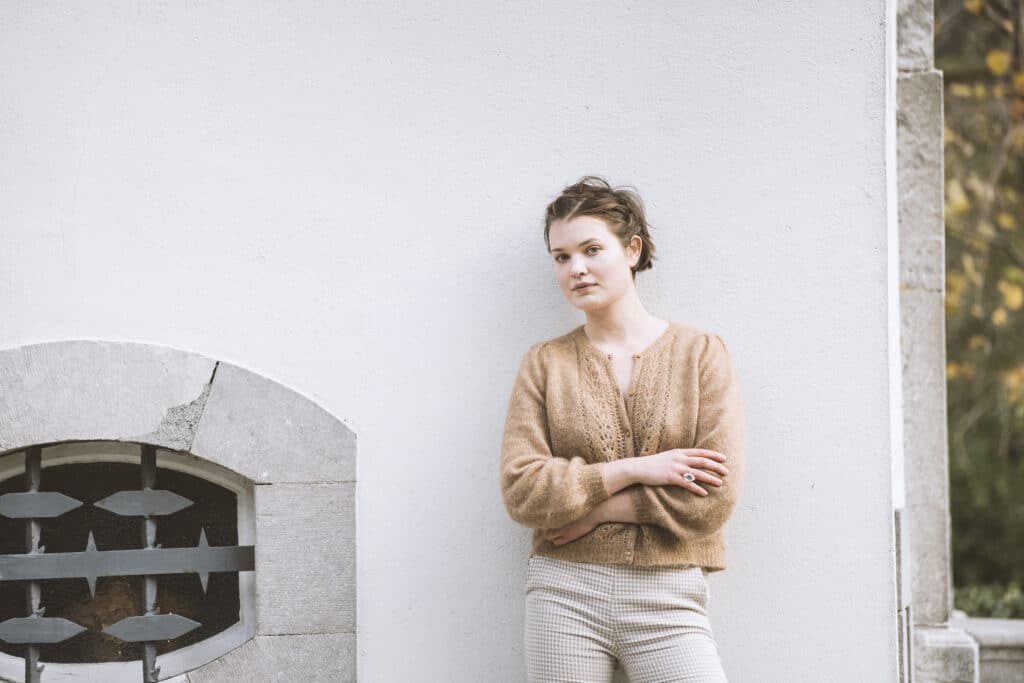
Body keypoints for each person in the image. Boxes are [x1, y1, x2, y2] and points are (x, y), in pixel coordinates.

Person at [499, 175, 746, 682]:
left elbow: (713, 499)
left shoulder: (700, 354)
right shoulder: (544, 364)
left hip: (668, 595)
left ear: (632, 250)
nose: (576, 268)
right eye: (561, 256)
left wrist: (594, 512)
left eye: (592, 249)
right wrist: (638, 469)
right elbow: (523, 492)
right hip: (564, 594)